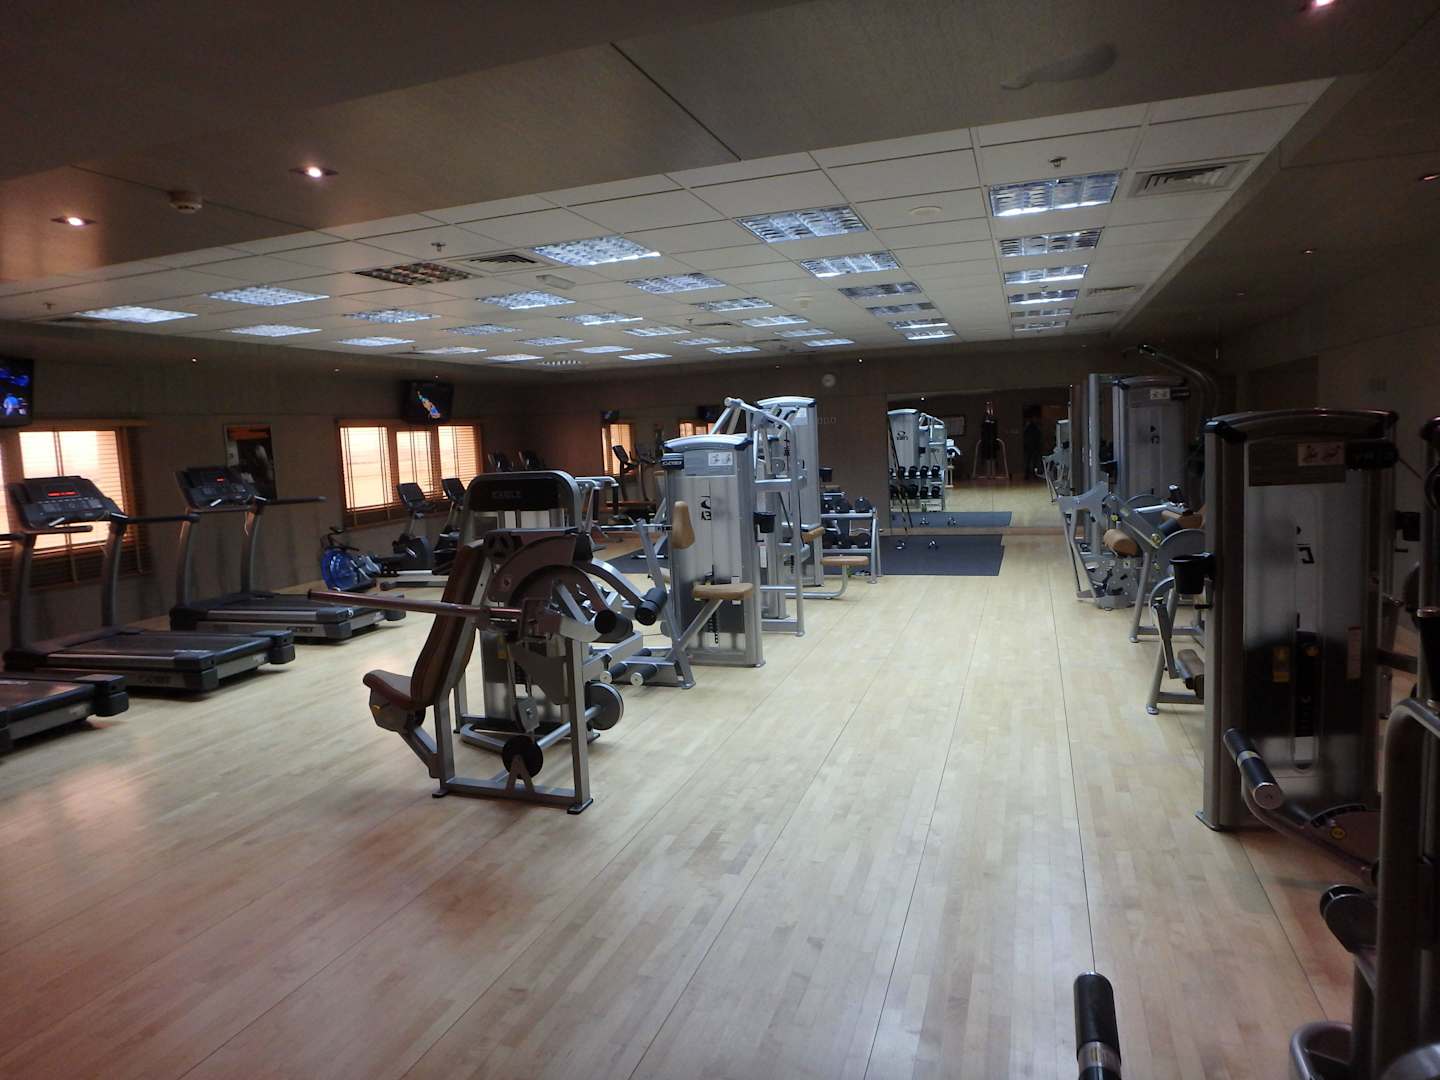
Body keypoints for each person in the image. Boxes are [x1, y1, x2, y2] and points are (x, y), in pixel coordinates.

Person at [1022, 415, 1043, 480]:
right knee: (1031, 461)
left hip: (1031, 446)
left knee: (1030, 461)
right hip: (1032, 446)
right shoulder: (1034, 427)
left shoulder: (1030, 427)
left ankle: (1028, 474)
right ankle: (1030, 474)